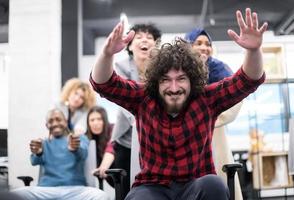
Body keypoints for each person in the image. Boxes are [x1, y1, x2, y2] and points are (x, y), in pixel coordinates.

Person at [89, 8, 267, 200]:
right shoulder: (143, 99)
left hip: (196, 185)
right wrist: (107, 54)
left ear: (192, 79)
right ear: (156, 81)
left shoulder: (206, 99)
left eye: (181, 79)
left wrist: (253, 50)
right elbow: (103, 83)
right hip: (152, 188)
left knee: (214, 185)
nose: (174, 88)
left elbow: (248, 80)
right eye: (166, 80)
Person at [185, 28, 243, 200]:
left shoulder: (220, 69)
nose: (204, 47)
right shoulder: (179, 70)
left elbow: (237, 99)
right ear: (188, 46)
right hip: (185, 135)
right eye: (198, 43)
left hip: (214, 135)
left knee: (217, 181)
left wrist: (211, 119)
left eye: (208, 44)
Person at [111, 23, 161, 197]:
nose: (144, 40)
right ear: (130, 45)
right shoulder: (122, 66)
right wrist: (138, 116)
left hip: (155, 136)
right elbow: (122, 97)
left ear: (156, 44)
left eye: (149, 38)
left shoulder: (161, 66)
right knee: (124, 187)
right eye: (138, 37)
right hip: (127, 137)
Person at [13, 108, 109, 200]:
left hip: (75, 190)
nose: (55, 123)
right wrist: (38, 153)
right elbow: (34, 161)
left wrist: (75, 149)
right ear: (47, 125)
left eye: (58, 119)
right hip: (46, 190)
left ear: (66, 122)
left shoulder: (78, 138)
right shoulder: (43, 143)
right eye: (51, 121)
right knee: (13, 195)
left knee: (102, 196)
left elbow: (83, 155)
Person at [85, 106, 115, 181]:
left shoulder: (113, 129)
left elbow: (111, 146)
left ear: (105, 120)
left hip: (117, 171)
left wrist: (103, 167)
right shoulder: (87, 137)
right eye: (92, 120)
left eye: (99, 119)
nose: (95, 123)